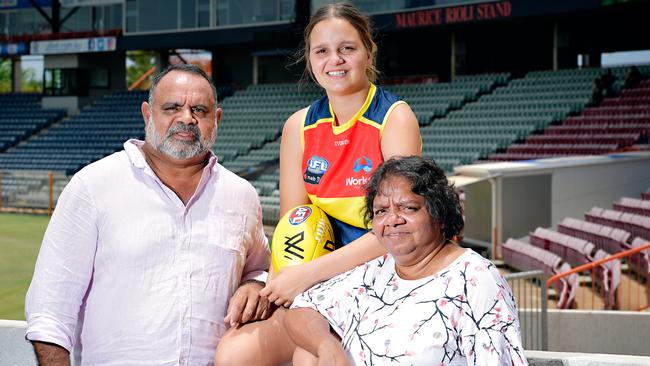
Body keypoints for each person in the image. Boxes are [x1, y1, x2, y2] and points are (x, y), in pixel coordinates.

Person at [215, 3, 421, 364]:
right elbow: (293, 223)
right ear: (309, 60)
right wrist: (276, 285)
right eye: (321, 51)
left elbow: (397, 230)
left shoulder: (394, 118)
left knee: (308, 358)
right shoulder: (299, 126)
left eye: (347, 48)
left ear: (368, 52)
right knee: (235, 352)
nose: (334, 60)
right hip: (318, 277)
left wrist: (305, 276)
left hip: (385, 273)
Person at [24, 64, 271, 365]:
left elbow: (259, 268)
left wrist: (254, 285)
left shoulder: (240, 195)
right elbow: (50, 314)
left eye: (199, 110)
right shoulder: (93, 186)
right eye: (172, 107)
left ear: (216, 120)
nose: (186, 119)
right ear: (147, 114)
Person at [286, 156, 528, 365]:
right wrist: (326, 346)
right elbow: (302, 309)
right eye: (381, 211)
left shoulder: (475, 279)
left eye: (408, 208)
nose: (392, 219)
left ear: (440, 214)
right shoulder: (375, 271)